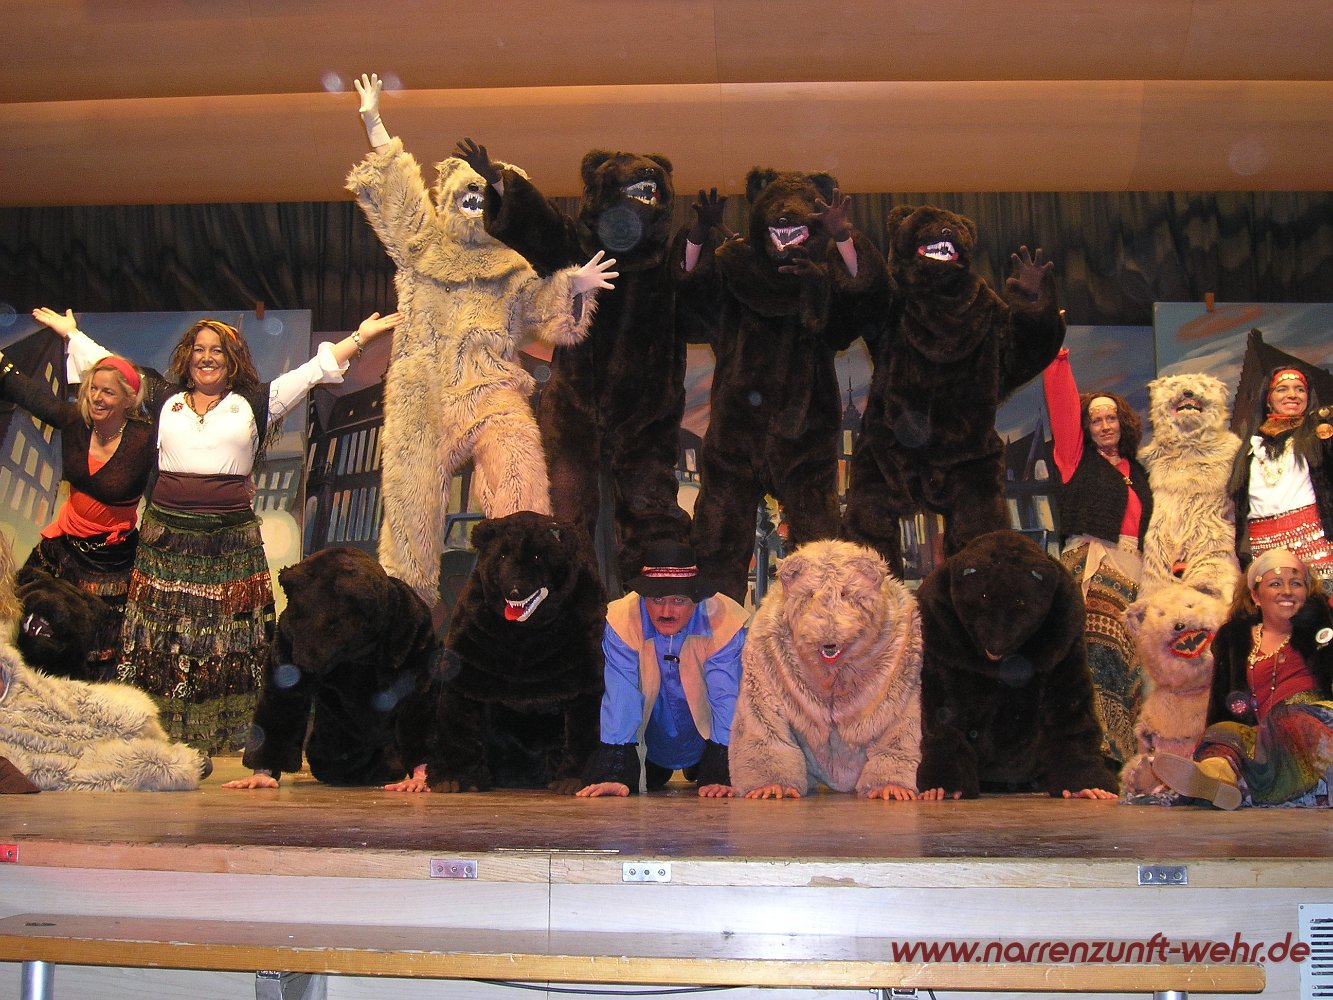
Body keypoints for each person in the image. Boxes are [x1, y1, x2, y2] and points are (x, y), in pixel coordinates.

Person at [49, 307, 400, 753]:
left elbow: (313, 371)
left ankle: (232, 729)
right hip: (167, 539)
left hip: (229, 541)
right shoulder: (163, 397)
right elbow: (112, 369)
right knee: (167, 635)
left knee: (225, 637)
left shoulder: (254, 401)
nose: (207, 357)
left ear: (232, 360)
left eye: (217, 350)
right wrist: (72, 334)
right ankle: (159, 724)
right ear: (187, 356)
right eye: (199, 350)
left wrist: (360, 337)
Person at [5, 311, 153, 677]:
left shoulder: (146, 438)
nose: (97, 398)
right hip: (63, 547)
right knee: (35, 628)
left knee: (96, 648)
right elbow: (31, 395)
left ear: (128, 400)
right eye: (92, 389)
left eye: (108, 392)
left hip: (111, 560)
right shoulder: (76, 421)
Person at [1150, 548, 1333, 809]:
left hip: (1317, 723)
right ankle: (1214, 780)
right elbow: (1221, 705)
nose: (1287, 591)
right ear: (1256, 596)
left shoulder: (1322, 631)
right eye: (1275, 584)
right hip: (1266, 740)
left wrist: (1320, 620)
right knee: (1225, 732)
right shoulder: (1235, 639)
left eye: (1296, 584)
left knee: (1289, 719)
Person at [1041, 346, 1153, 767]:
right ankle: (1096, 750)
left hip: (1136, 570)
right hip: (1093, 565)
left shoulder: (1139, 472)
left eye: (1111, 418)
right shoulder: (1074, 460)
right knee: (1097, 656)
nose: (1105, 425)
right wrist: (1058, 362)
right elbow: (1063, 410)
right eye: (1096, 419)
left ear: (1123, 423)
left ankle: (1134, 752)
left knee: (1134, 660)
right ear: (1085, 428)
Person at [577, 542, 748, 798]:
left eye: (679, 600)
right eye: (657, 599)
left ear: (696, 598)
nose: (666, 612)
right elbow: (621, 695)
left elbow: (726, 697)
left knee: (712, 776)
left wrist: (723, 771)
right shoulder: (623, 620)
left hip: (707, 741)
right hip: (651, 745)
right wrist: (615, 772)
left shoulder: (724, 622)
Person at [1229, 366, 1333, 584]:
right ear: (1268, 400)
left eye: (1300, 389)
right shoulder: (1251, 448)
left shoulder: (1319, 436)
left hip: (1314, 543)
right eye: (1282, 389)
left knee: (1320, 603)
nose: (1292, 395)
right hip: (1263, 547)